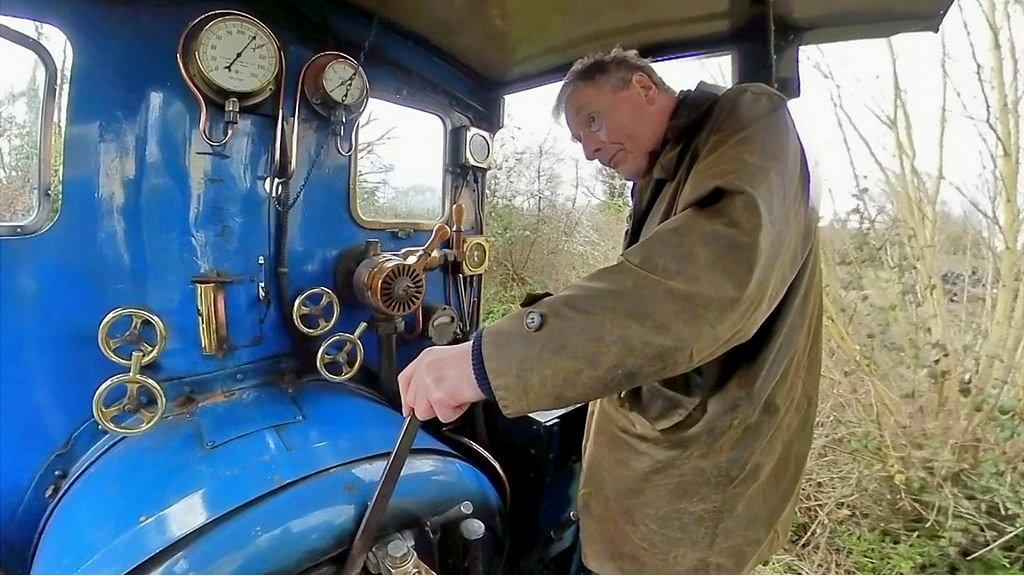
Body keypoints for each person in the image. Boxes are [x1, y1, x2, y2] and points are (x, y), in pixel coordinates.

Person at [397, 47, 822, 574]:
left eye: (593, 121)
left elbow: (682, 292)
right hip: (638, 495)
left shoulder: (750, 120)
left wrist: (484, 364)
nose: (591, 150)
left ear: (643, 87)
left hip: (686, 503)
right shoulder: (667, 172)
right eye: (580, 140)